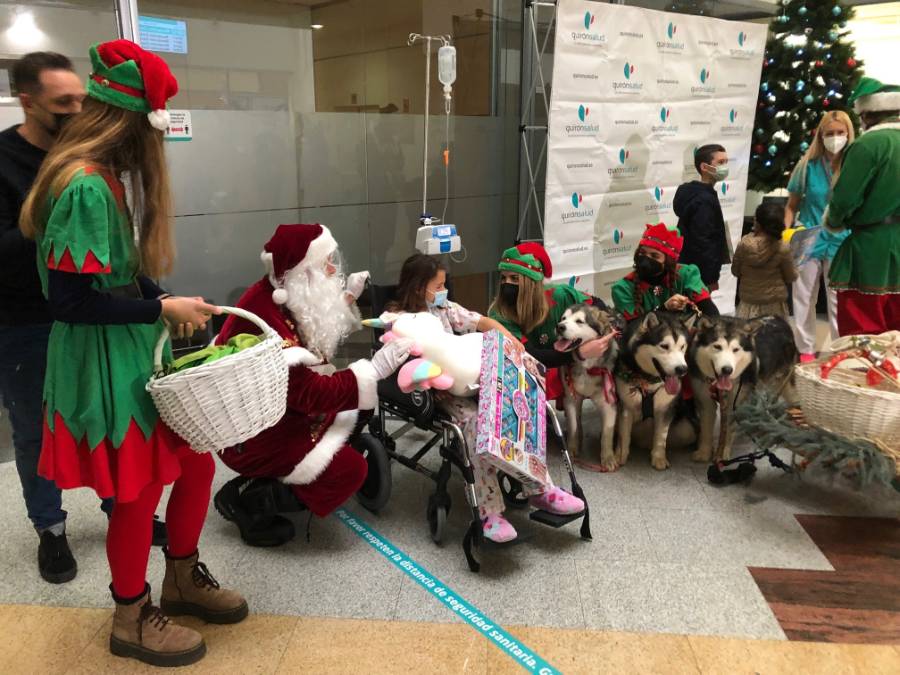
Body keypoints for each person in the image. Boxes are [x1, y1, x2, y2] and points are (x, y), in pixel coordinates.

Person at [20, 40, 245, 667]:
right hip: (101, 362)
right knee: (139, 491)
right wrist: (158, 310)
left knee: (197, 463)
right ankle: (131, 615)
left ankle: (180, 577)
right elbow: (69, 301)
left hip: (128, 350)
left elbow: (114, 276)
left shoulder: (104, 182)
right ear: (131, 124)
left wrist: (165, 297)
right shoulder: (87, 187)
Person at [1, 52, 161, 586]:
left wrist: (147, 293)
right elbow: (70, 290)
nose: (76, 109)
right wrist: (65, 242)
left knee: (113, 431)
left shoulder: (91, 177)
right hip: (29, 318)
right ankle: (51, 529)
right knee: (36, 432)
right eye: (63, 101)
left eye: (81, 100)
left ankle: (125, 513)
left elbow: (114, 269)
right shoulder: (81, 185)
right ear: (29, 100)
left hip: (95, 319)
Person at [213, 224, 412, 546]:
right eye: (327, 263)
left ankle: (285, 477)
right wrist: (373, 371)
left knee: (356, 407)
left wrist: (346, 298)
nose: (334, 269)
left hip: (277, 412)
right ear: (302, 271)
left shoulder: (282, 294)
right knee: (349, 470)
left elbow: (315, 342)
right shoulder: (265, 317)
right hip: (248, 437)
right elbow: (308, 393)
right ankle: (248, 499)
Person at [388, 253, 584, 543]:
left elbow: (484, 323)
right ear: (419, 288)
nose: (444, 291)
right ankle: (490, 512)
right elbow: (398, 363)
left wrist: (516, 347)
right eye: (438, 286)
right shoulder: (399, 321)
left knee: (517, 408)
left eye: (445, 285)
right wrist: (430, 381)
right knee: (475, 421)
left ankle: (540, 489)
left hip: (472, 379)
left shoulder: (446, 309)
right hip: (436, 389)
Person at [487, 243, 611, 401]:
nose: (507, 283)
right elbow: (528, 356)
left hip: (563, 367)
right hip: (521, 378)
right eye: (503, 278)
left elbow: (597, 304)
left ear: (531, 282)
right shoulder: (499, 313)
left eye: (514, 278)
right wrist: (579, 353)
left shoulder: (559, 295)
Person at [825, 78, 900, 335]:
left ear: (866, 114)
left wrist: (834, 221)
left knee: (863, 330)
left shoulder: (869, 145)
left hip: (871, 249)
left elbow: (845, 200)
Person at [785, 111, 855, 361]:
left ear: (849, 134)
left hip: (841, 239)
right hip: (809, 237)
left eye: (840, 133)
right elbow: (791, 205)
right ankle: (804, 350)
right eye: (830, 133)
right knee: (803, 298)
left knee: (839, 301)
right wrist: (787, 233)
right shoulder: (807, 167)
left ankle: (839, 351)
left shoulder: (855, 166)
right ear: (820, 135)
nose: (835, 138)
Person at [611, 223, 719, 320]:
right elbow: (635, 329)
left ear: (668, 261)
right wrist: (664, 308)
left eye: (654, 256)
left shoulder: (686, 274)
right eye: (642, 253)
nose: (646, 259)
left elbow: (710, 312)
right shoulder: (623, 288)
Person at [674, 144, 730, 291]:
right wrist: (710, 278)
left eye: (726, 162)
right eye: (720, 162)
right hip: (698, 276)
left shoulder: (699, 194)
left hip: (690, 271)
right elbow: (704, 243)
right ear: (704, 167)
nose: (725, 167)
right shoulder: (704, 200)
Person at [731, 203, 797, 319]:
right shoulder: (783, 248)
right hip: (775, 306)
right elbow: (791, 277)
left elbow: (735, 271)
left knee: (748, 335)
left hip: (748, 305)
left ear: (757, 222)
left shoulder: (743, 245)